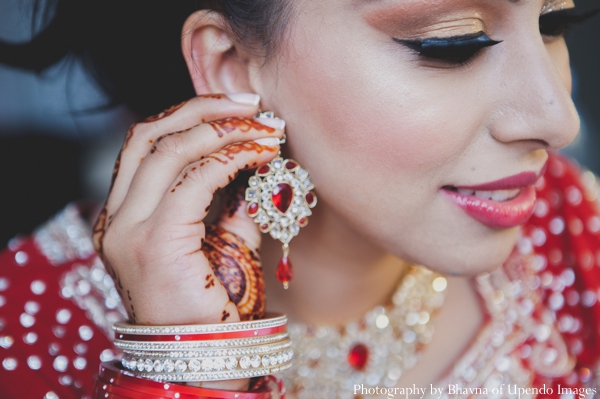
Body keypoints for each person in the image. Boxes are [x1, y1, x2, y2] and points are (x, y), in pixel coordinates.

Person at [1, 0, 600, 398]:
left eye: (553, 23)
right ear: (233, 66)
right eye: (452, 42)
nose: (558, 118)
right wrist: (187, 367)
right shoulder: (22, 336)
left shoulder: (572, 229)